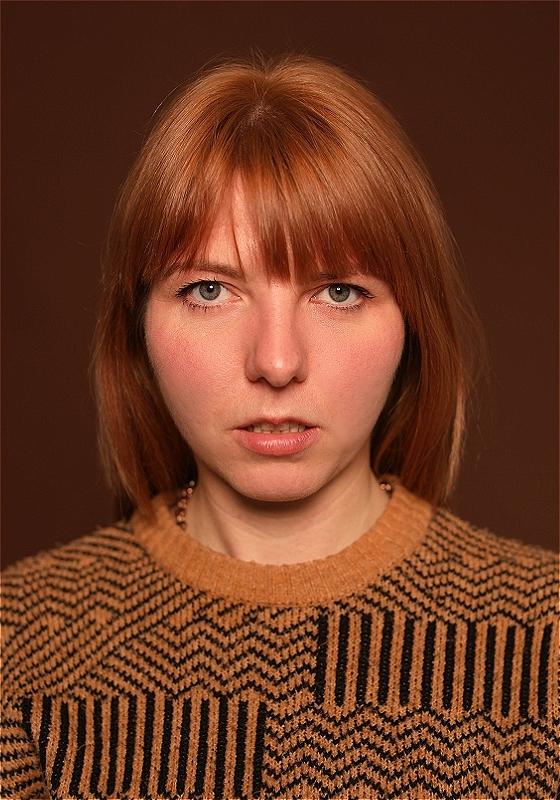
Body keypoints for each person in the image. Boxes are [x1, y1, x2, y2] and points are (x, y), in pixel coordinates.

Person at [1, 53, 557, 800]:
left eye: (338, 291)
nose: (276, 360)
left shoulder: (545, 644)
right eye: (208, 289)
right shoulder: (22, 646)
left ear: (413, 326)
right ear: (135, 326)